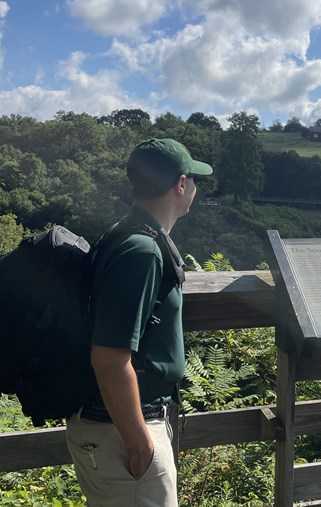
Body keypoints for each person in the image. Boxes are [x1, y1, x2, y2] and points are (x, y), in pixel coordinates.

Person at [66, 138, 213, 506]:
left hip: (114, 425)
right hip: (123, 431)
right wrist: (140, 446)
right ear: (181, 184)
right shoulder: (142, 251)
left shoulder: (128, 232)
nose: (195, 187)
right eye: (193, 179)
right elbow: (109, 360)